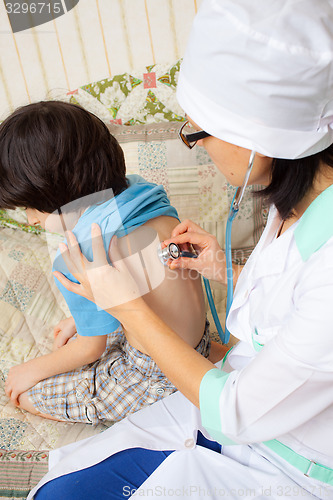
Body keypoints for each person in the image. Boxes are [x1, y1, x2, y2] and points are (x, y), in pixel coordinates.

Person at [28, 0, 333, 498]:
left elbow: (236, 411)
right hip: (222, 398)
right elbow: (281, 304)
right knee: (56, 489)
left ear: (258, 136)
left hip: (284, 457)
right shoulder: (297, 200)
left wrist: (123, 304)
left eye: (199, 133)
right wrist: (220, 268)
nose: (200, 146)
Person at [1, 100, 214, 424]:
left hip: (156, 377)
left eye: (30, 207)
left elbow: (91, 350)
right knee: (78, 331)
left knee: (28, 393)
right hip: (198, 344)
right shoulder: (145, 192)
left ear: (57, 192)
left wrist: (28, 370)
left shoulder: (77, 252)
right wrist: (82, 318)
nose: (30, 220)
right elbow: (145, 278)